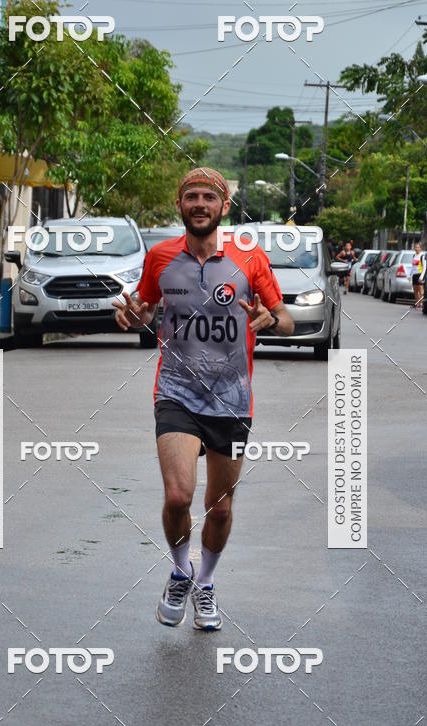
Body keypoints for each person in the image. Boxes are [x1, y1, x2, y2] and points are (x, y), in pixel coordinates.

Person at [112, 167, 293, 630]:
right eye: (191, 196)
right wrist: (133, 316)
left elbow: (285, 318)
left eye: (208, 197)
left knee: (221, 506)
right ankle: (181, 571)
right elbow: (146, 308)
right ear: (180, 205)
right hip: (176, 391)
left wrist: (270, 320)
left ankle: (206, 583)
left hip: (232, 399)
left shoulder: (249, 257)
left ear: (224, 206)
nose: (199, 204)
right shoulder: (160, 257)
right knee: (178, 496)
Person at [411, 241, 427, 308]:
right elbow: (413, 266)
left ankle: (421, 303)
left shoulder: (422, 256)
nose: (416, 249)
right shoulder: (414, 255)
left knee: (420, 290)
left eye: (418, 247)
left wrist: (421, 277)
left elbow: (424, 267)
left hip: (420, 274)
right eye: (415, 247)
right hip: (414, 274)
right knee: (415, 290)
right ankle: (417, 303)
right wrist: (410, 275)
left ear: (420, 248)